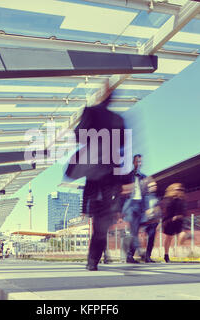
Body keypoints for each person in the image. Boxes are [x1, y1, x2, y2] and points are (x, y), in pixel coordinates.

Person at [64, 93, 126, 271]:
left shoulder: (90, 112)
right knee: (101, 228)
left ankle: (92, 261)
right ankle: (93, 260)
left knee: (99, 227)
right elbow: (122, 144)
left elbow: (78, 136)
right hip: (109, 175)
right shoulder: (118, 119)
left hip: (97, 172)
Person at [120, 154, 155, 263]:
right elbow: (121, 193)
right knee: (134, 230)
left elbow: (146, 194)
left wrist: (147, 208)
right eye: (137, 161)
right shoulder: (127, 177)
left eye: (140, 161)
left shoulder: (144, 177)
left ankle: (131, 255)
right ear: (133, 162)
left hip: (141, 206)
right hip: (131, 205)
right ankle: (134, 254)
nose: (139, 163)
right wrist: (120, 210)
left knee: (137, 231)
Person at [160, 183, 191, 263]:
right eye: (177, 189)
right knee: (169, 238)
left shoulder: (182, 200)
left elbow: (184, 211)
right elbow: (165, 211)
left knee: (183, 234)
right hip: (170, 221)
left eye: (181, 190)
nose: (179, 191)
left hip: (179, 221)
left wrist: (180, 216)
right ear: (173, 190)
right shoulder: (168, 199)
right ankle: (166, 255)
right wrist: (171, 218)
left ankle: (177, 251)